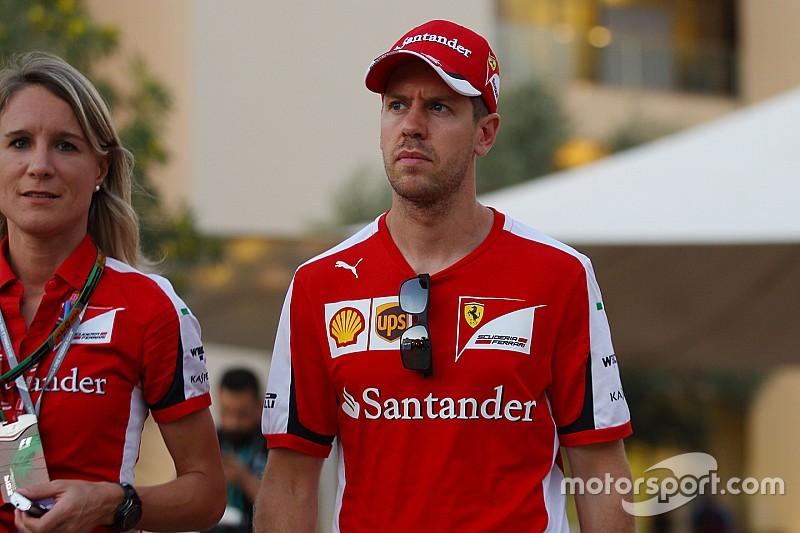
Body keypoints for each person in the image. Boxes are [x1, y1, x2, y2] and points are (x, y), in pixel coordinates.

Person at [255, 19, 633, 532]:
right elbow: (291, 480)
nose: (411, 124)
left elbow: (600, 469)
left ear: (485, 133)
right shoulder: (319, 284)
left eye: (438, 106)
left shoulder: (560, 275)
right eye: (396, 104)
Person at [0, 51, 225, 531]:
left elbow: (207, 493)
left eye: (65, 145)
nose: (39, 165)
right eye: (19, 142)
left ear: (100, 169)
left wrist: (115, 503)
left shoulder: (151, 306)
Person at [209, 368, 268, 532]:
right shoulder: (211, 440)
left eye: (242, 414)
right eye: (226, 413)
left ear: (258, 406)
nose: (233, 423)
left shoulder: (272, 446)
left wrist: (243, 478)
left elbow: (283, 505)